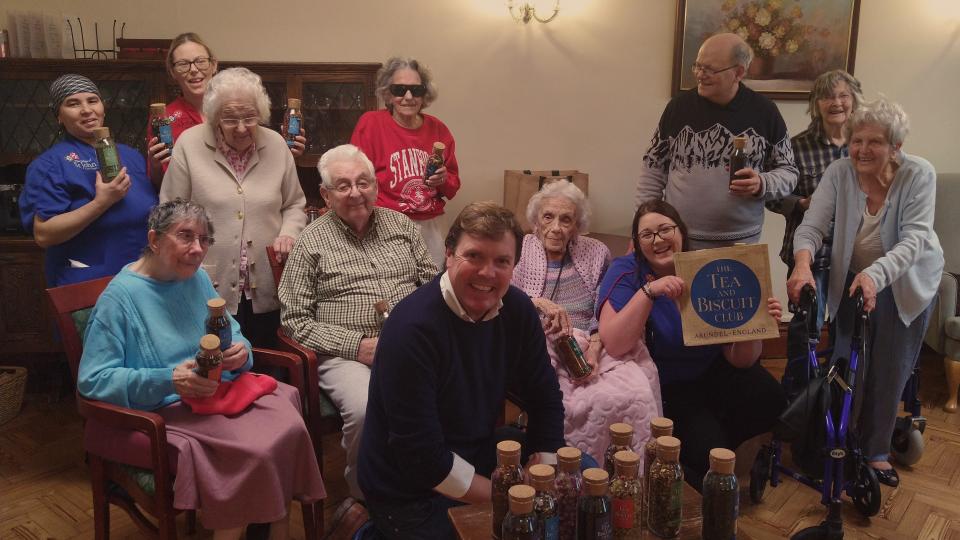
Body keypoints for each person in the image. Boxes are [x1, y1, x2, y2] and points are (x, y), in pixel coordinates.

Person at [77, 199, 326, 539]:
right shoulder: (119, 299)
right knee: (253, 451)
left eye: (204, 239)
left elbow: (230, 332)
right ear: (154, 239)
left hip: (213, 396)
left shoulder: (195, 279)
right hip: (159, 411)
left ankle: (268, 528)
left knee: (288, 426)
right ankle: (247, 525)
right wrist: (169, 380)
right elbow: (93, 382)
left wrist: (243, 351)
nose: (197, 249)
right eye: (185, 237)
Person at [358, 201, 565, 538]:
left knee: (577, 472)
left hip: (473, 452)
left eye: (502, 261)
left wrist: (543, 469)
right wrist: (513, 497)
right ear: (449, 254)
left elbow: (546, 398)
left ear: (514, 266)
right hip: (408, 490)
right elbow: (421, 457)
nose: (487, 273)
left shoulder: (518, 311)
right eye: (474, 256)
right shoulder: (411, 328)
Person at [787, 98, 943, 487]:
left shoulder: (919, 174)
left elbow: (914, 240)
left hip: (905, 282)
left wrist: (876, 275)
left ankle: (875, 451)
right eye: (856, 140)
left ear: (896, 147)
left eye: (874, 142)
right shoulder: (840, 172)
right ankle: (840, 440)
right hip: (855, 277)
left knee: (889, 368)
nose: (862, 150)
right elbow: (811, 226)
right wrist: (803, 264)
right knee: (845, 363)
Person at [279, 144, 438, 500]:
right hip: (346, 353)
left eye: (363, 182)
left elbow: (433, 287)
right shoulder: (310, 242)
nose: (356, 193)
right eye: (343, 185)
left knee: (449, 389)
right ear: (325, 194)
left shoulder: (402, 226)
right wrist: (359, 346)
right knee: (367, 408)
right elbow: (294, 321)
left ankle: (432, 479)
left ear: (376, 185)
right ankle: (367, 496)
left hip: (410, 344)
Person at [597, 200, 786, 491]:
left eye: (665, 229)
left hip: (714, 369)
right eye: (647, 235)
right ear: (636, 243)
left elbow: (741, 360)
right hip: (670, 385)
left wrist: (754, 321)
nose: (658, 240)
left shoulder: (709, 269)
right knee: (709, 452)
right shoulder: (627, 271)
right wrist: (650, 292)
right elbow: (614, 342)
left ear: (681, 233)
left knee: (770, 398)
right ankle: (695, 457)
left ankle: (711, 446)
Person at [512, 181, 661, 461]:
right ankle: (570, 472)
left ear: (577, 226)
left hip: (594, 339)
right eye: (548, 217)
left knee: (638, 390)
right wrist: (537, 302)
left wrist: (594, 347)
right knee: (573, 401)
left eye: (566, 219)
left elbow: (604, 306)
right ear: (536, 220)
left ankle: (632, 471)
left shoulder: (596, 252)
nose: (556, 227)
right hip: (543, 341)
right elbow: (504, 298)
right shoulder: (521, 248)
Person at [160, 67, 306, 349]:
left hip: (268, 280)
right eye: (230, 119)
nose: (241, 128)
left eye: (249, 117)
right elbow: (170, 211)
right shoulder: (189, 145)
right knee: (219, 364)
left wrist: (289, 233)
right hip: (207, 281)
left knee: (267, 362)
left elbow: (294, 204)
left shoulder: (276, 144)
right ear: (214, 116)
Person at [635, 32, 797, 250]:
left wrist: (762, 183)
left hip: (741, 243)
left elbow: (789, 172)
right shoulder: (678, 108)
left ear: (738, 72)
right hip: (679, 239)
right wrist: (643, 230)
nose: (700, 75)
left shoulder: (765, 111)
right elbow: (652, 171)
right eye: (698, 66)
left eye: (710, 69)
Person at [767, 70, 864, 391]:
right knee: (804, 328)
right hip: (808, 255)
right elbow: (772, 196)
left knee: (846, 330)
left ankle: (836, 392)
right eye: (827, 96)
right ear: (815, 104)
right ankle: (796, 395)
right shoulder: (795, 146)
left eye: (843, 96)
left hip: (854, 256)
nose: (836, 103)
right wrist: (804, 204)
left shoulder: (865, 145)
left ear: (854, 101)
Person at [18, 74, 158, 287]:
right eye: (73, 104)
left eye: (92, 100)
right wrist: (101, 203)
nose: (86, 109)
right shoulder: (50, 164)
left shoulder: (130, 155)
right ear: (59, 116)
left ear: (103, 107)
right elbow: (43, 234)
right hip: (89, 280)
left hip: (142, 276)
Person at [147, 32, 306, 181]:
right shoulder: (164, 120)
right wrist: (155, 166)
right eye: (183, 64)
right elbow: (164, 186)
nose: (194, 70)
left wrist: (287, 153)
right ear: (173, 72)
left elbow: (268, 170)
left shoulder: (245, 105)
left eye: (200, 61)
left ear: (214, 64)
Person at [350, 57, 460, 267]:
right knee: (391, 288)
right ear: (388, 94)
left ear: (424, 94)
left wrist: (443, 180)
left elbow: (452, 188)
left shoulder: (439, 129)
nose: (408, 97)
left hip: (430, 226)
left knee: (430, 289)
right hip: (385, 223)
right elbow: (357, 177)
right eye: (399, 89)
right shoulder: (371, 124)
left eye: (416, 90)